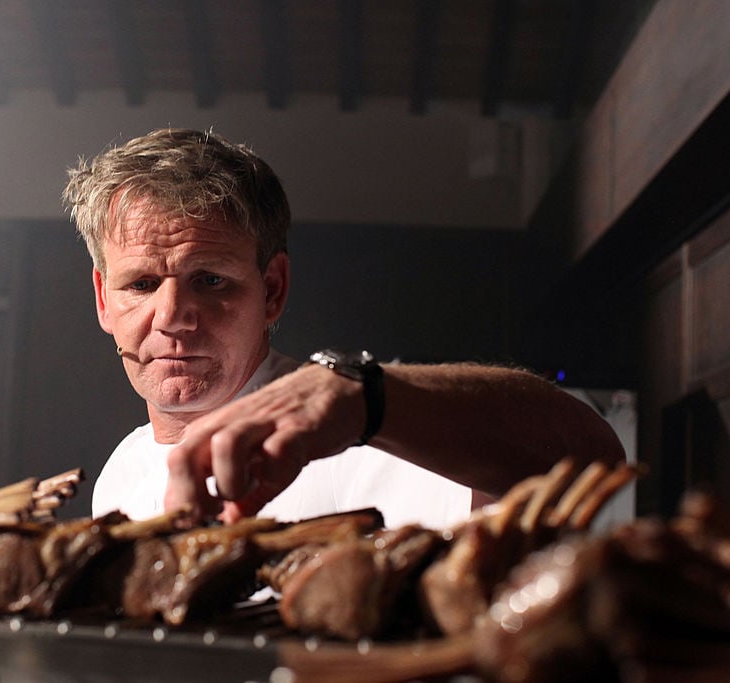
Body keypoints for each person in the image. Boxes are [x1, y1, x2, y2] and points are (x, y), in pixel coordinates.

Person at [63, 127, 625, 528]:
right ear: (103, 300)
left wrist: (367, 402)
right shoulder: (120, 474)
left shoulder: (356, 434)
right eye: (141, 284)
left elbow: (593, 458)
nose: (171, 316)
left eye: (210, 280)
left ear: (272, 290)